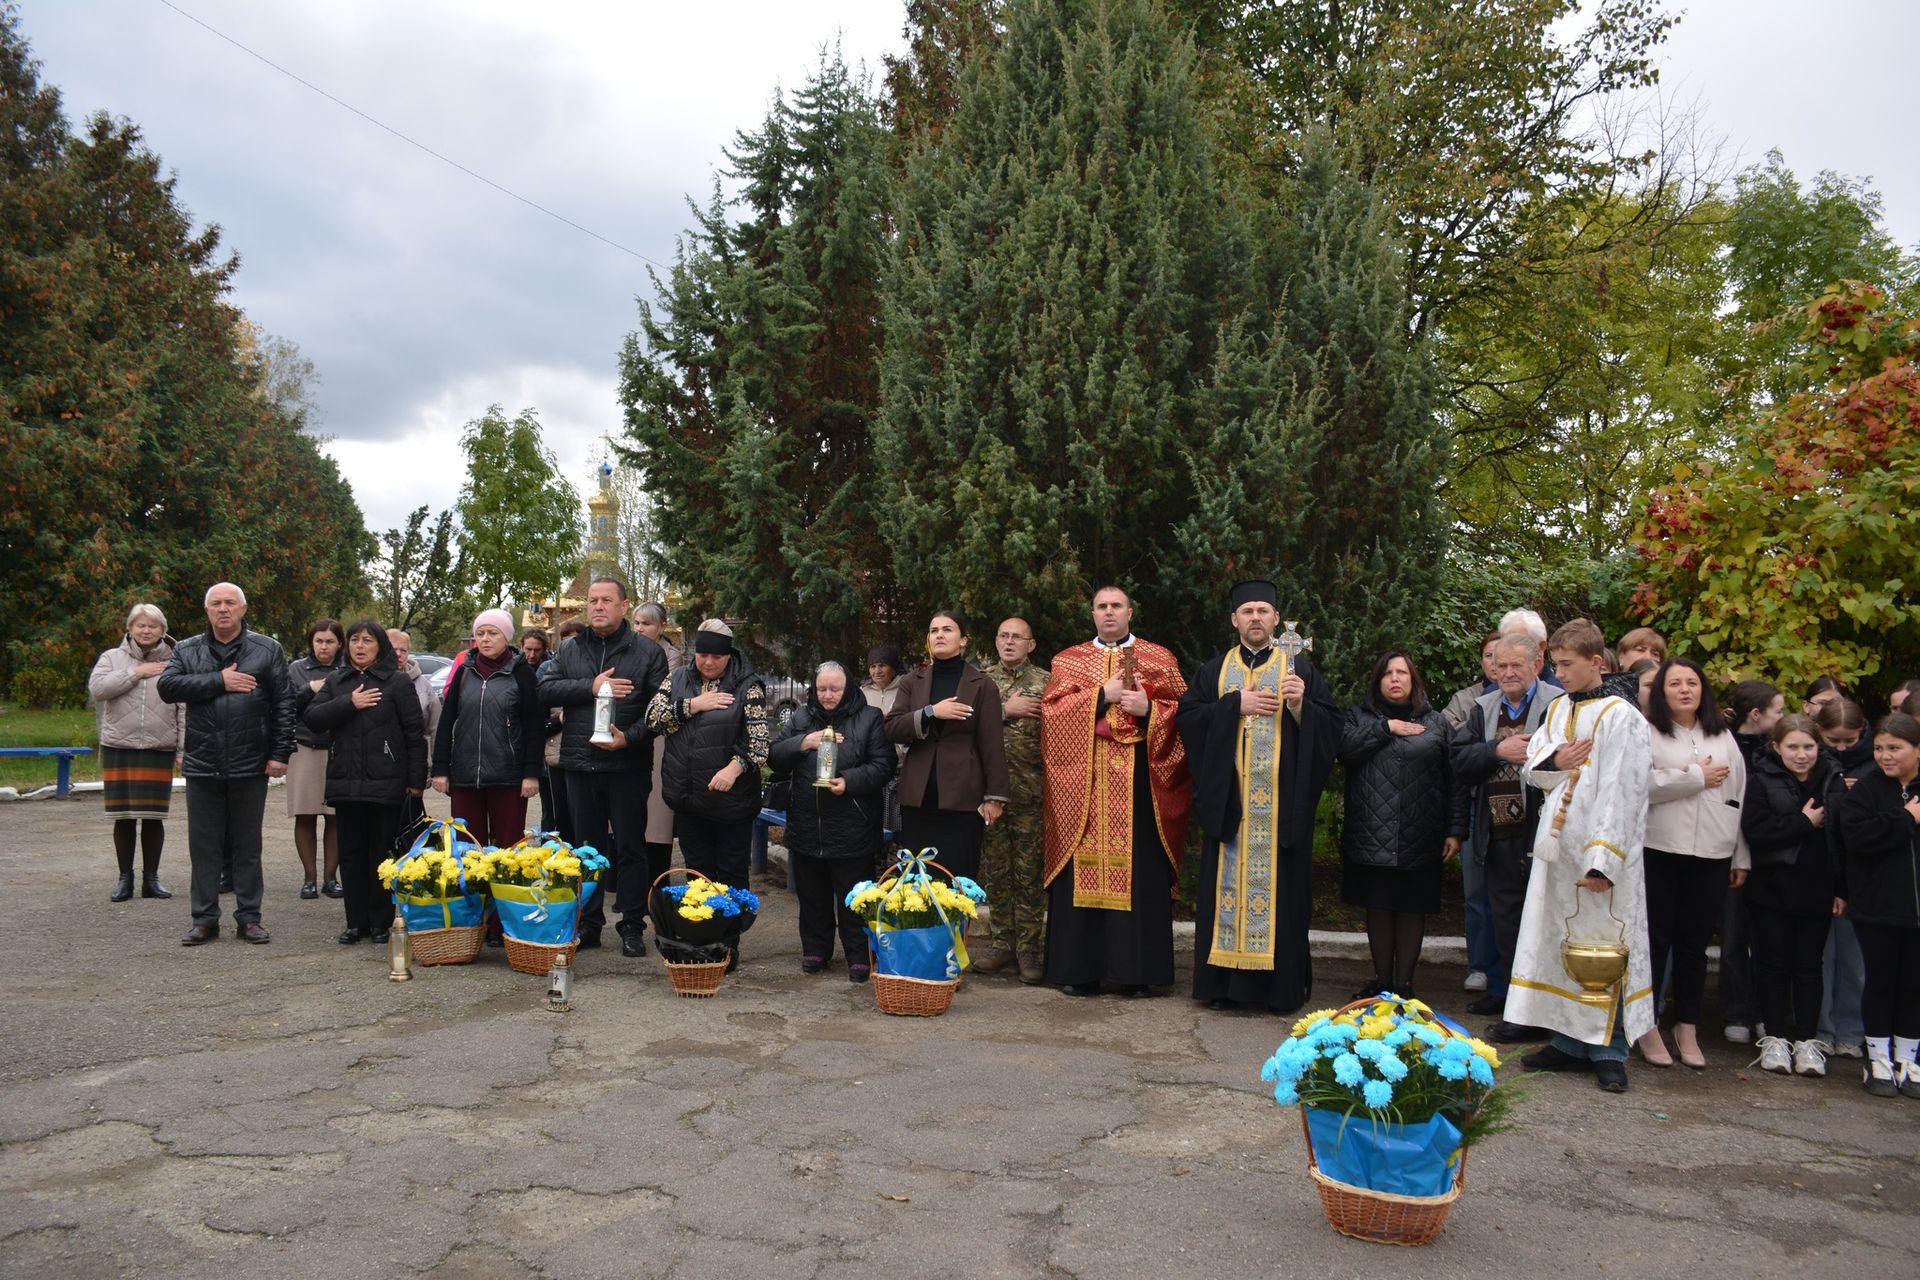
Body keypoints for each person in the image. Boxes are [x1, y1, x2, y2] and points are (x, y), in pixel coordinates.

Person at [1509, 618, 1654, 1094]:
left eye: (1567, 664)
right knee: (1562, 942)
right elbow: (1533, 768)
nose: (1560, 673)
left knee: (1604, 947)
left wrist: (1603, 861)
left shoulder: (1622, 715)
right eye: (1555, 665)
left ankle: (1610, 1048)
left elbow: (1623, 790)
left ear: (1597, 662)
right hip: (1558, 851)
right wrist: (1556, 760)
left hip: (1601, 853)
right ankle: (1569, 1042)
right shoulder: (1557, 708)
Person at [1042, 587, 1191, 998]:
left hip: (1140, 785)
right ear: (1093, 614)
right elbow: (1051, 715)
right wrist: (1099, 697)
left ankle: (1135, 973)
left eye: (1116, 606)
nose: (1109, 612)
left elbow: (1186, 712)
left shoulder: (1159, 658)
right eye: (1102, 606)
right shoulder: (1068, 660)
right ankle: (1080, 971)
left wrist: (1151, 711)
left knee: (1140, 869)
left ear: (1130, 612)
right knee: (1080, 871)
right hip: (1083, 786)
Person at [158, 582, 295, 946]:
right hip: (203, 762)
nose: (223, 609)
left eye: (230, 603)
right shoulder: (187, 649)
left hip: (251, 761)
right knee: (204, 846)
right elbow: (168, 687)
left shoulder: (267, 649)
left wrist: (279, 753)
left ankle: (249, 918)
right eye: (216, 603)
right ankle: (204, 919)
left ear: (243, 609)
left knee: (247, 846)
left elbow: (284, 703)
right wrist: (219, 680)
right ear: (207, 611)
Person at [541, 577, 668, 955]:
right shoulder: (569, 649)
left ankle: (632, 925)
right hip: (580, 764)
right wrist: (590, 686)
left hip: (627, 765)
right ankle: (590, 923)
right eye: (592, 600)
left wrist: (629, 738)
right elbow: (543, 689)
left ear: (624, 606)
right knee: (586, 850)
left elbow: (659, 710)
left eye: (606, 600)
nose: (597, 606)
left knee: (630, 848)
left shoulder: (648, 652)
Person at [1639, 657, 1751, 1069]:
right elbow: (1638, 785)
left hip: (1713, 853)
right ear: (1661, 692)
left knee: (1694, 945)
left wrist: (1740, 854)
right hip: (1660, 848)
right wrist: (1693, 777)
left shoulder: (1723, 736)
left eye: (1692, 682)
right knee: (1655, 941)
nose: (1685, 690)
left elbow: (1738, 796)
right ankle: (1647, 1024)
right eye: (1675, 683)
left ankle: (1686, 1026)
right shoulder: (1647, 732)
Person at [1336, 651, 1466, 1000]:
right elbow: (1345, 751)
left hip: (1420, 835)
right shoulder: (1358, 717)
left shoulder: (1437, 723)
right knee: (1378, 906)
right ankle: (1382, 982)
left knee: (1412, 908)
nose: (1395, 679)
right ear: (1377, 680)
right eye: (1388, 673)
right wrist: (1386, 728)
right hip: (1371, 834)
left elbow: (1455, 778)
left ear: (1413, 680)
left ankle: (1405, 986)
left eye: (1402, 673)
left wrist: (1455, 830)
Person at [1450, 633, 1560, 1034]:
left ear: (1537, 665)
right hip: (1496, 830)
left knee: (1543, 921)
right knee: (1504, 918)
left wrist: (1533, 754)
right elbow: (1459, 760)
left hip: (1543, 831)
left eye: (1517, 665)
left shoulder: (1557, 704)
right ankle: (1507, 996)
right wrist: (1496, 751)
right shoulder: (1483, 707)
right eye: (1501, 665)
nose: (1508, 672)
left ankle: (1539, 1009)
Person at [649, 618, 768, 968]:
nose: (708, 662)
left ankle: (727, 947)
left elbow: (760, 746)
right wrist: (693, 705)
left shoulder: (749, 687)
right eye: (702, 655)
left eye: (716, 656)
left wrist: (735, 767)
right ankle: (700, 942)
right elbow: (653, 719)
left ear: (728, 655)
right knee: (697, 873)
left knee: (731, 875)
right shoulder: (677, 679)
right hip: (688, 799)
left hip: (732, 804)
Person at [768, 661, 893, 980]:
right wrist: (803, 743)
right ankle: (816, 949)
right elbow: (775, 757)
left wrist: (849, 780)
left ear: (848, 688)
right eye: (822, 689)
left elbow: (884, 765)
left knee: (855, 898)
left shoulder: (869, 718)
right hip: (807, 823)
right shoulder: (801, 717)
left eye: (834, 689)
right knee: (812, 896)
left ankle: (859, 955)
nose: (827, 695)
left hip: (852, 824)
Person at [302, 622, 426, 944]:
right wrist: (349, 703)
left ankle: (380, 922)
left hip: (386, 783)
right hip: (345, 783)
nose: (359, 646)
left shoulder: (397, 682)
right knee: (351, 854)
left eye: (367, 640)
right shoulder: (338, 680)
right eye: (354, 640)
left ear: (379, 646)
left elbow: (414, 734)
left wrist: (415, 782)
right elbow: (313, 718)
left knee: (381, 854)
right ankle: (355, 923)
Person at [1740, 714, 1839, 1077]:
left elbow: (1841, 840)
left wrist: (1842, 888)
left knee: (1810, 967)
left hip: (1818, 887)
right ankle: (1775, 1038)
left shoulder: (1832, 779)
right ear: (1777, 747)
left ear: (1819, 747)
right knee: (1773, 965)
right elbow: (1756, 831)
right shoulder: (1761, 780)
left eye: (1808, 747)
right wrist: (1802, 822)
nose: (1801, 754)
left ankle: (1808, 1042)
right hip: (1772, 888)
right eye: (1793, 747)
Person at [1829, 713, 1920, 1097]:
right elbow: (1857, 838)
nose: (1885, 756)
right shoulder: (1866, 789)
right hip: (1877, 906)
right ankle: (1878, 1058)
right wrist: (1905, 818)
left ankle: (1908, 1060)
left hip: (1916, 913)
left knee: (1913, 985)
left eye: (1895, 748)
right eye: (1880, 748)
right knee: (1880, 981)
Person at [882, 611, 1008, 885]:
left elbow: (992, 744)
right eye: (934, 630)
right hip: (918, 800)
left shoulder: (982, 685)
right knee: (918, 884)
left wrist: (995, 797)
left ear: (963, 640)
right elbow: (892, 728)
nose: (939, 635)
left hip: (963, 800)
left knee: (957, 883)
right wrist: (930, 712)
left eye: (947, 629)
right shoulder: (911, 681)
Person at [88, 603, 184, 902]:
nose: (146, 630)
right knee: (124, 817)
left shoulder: (176, 660)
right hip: (120, 746)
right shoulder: (112, 658)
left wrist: (183, 749)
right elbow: (98, 690)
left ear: (162, 630)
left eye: (152, 626)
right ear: (129, 628)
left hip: (158, 746)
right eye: (140, 625)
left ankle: (151, 879)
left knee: (154, 817)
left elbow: (184, 707)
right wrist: (135, 673)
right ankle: (124, 879)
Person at [431, 609, 543, 846]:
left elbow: (534, 728)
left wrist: (531, 773)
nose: (485, 639)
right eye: (480, 633)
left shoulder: (522, 673)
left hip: (508, 777)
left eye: (492, 633)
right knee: (467, 848)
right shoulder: (464, 671)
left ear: (506, 637)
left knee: (508, 849)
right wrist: (440, 768)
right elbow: (446, 721)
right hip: (465, 776)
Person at [977, 617, 1049, 983]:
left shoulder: (1048, 682)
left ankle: (1029, 950)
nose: (1009, 642)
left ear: (1030, 645)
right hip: (990, 796)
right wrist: (1006, 710)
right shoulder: (981, 681)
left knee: (1029, 874)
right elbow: (966, 726)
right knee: (997, 872)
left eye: (1017, 637)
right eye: (1003, 636)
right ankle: (1001, 943)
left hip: (1031, 795)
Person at [1719, 678, 1785, 1045]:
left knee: (1766, 940)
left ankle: (1765, 1011)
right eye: (1778, 711)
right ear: (1756, 714)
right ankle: (1736, 1010)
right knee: (1732, 936)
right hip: (1730, 852)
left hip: (1769, 855)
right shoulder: (1724, 745)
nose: (1783, 717)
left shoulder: (1777, 751)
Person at [1815, 698, 1871, 1062]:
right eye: (1833, 740)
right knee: (1822, 958)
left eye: (1849, 741)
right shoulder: (1813, 760)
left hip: (1859, 875)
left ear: (1861, 733)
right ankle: (1822, 1029)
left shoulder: (1874, 764)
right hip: (1821, 871)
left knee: (1854, 960)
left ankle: (1851, 1030)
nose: (1842, 748)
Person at [287, 619, 346, 900]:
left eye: (330, 641)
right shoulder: (296, 669)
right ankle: (309, 878)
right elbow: (285, 705)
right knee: (305, 814)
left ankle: (330, 879)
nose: (324, 647)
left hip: (339, 748)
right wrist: (310, 688)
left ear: (339, 644)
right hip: (304, 747)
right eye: (319, 641)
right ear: (311, 643)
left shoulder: (347, 669)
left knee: (335, 817)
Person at [632, 602, 679, 883]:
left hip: (658, 736)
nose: (639, 629)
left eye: (646, 624)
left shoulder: (671, 657)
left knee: (657, 813)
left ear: (661, 627)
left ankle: (657, 877)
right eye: (636, 623)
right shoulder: (628, 648)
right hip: (629, 730)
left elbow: (657, 695)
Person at [386, 628, 441, 828]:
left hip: (414, 766)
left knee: (408, 824)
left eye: (403, 650)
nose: (398, 655)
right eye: (393, 649)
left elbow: (435, 727)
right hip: (381, 769)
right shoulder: (372, 680)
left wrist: (433, 766)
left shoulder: (423, 685)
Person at [543, 618, 587, 848]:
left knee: (585, 815)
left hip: (587, 752)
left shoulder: (592, 666)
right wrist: (559, 720)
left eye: (576, 638)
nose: (571, 643)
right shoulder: (549, 669)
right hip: (557, 751)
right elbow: (541, 711)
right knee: (559, 813)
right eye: (566, 639)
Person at [862, 643, 909, 852]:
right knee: (874, 824)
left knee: (897, 827)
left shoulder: (905, 689)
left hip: (900, 768)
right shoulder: (863, 693)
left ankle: (897, 862)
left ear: (893, 667)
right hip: (872, 768)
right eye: (873, 666)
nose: (877, 671)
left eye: (882, 665)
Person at [519, 627, 557, 831]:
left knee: (550, 804)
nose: (532, 655)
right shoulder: (515, 669)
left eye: (537, 650)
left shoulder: (550, 670)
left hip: (546, 737)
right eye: (528, 649)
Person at [1440, 632, 1501, 730]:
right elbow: (1444, 729)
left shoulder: (1525, 695)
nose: (1494, 661)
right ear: (1481, 662)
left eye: (1501, 655)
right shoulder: (1463, 699)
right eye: (1489, 655)